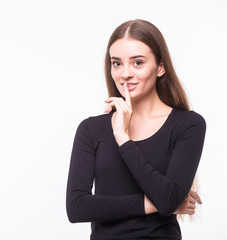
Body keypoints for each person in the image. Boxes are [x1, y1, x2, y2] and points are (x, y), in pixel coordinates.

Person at [66, 19, 206, 240]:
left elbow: (168, 200)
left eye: (138, 62)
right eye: (117, 63)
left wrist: (123, 138)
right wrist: (157, 203)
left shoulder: (188, 124)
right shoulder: (91, 129)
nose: (125, 74)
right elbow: (77, 207)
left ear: (160, 67)